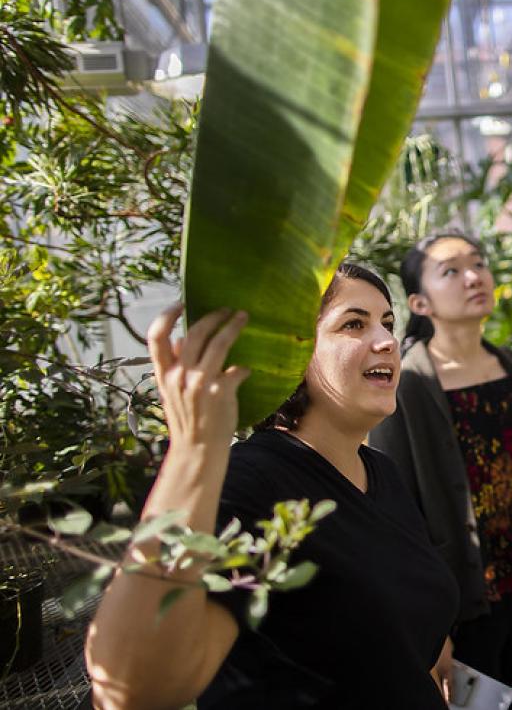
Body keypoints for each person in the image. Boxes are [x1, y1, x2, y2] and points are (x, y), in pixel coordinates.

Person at [85, 263, 459, 708]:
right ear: (291, 352)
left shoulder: (380, 471)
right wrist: (192, 449)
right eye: (354, 323)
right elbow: (133, 689)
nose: (386, 341)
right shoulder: (249, 484)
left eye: (388, 323)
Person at [368, 230, 512, 710]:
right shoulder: (410, 382)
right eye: (451, 271)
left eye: (478, 264)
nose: (474, 276)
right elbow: (397, 508)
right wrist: (429, 620)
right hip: (463, 598)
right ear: (419, 302)